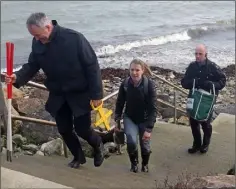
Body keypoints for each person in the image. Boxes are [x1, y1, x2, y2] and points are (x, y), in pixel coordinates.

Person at [4, 12, 105, 169]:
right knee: (64, 129)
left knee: (82, 129)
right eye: (34, 36)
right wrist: (17, 77)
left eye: (38, 35)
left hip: (79, 92)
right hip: (58, 93)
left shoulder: (74, 38)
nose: (37, 39)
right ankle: (78, 157)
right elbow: (32, 65)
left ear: (48, 26)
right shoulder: (37, 42)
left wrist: (97, 94)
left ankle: (98, 144)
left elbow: (92, 66)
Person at [181, 44, 226, 154]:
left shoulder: (212, 66)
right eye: (196, 54)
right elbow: (184, 82)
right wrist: (193, 82)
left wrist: (212, 84)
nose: (197, 56)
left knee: (205, 122)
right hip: (194, 97)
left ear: (205, 54)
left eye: (200, 54)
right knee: (193, 121)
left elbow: (223, 81)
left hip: (207, 99)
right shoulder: (192, 66)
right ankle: (196, 144)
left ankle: (205, 144)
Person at [114, 59, 158, 173]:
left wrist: (149, 129)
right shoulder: (125, 84)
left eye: (137, 70)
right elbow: (120, 102)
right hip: (130, 118)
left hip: (145, 119)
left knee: (145, 146)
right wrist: (117, 119)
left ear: (142, 70)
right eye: (132, 70)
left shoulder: (149, 85)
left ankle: (145, 164)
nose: (134, 73)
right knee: (131, 141)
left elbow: (153, 109)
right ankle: (134, 163)